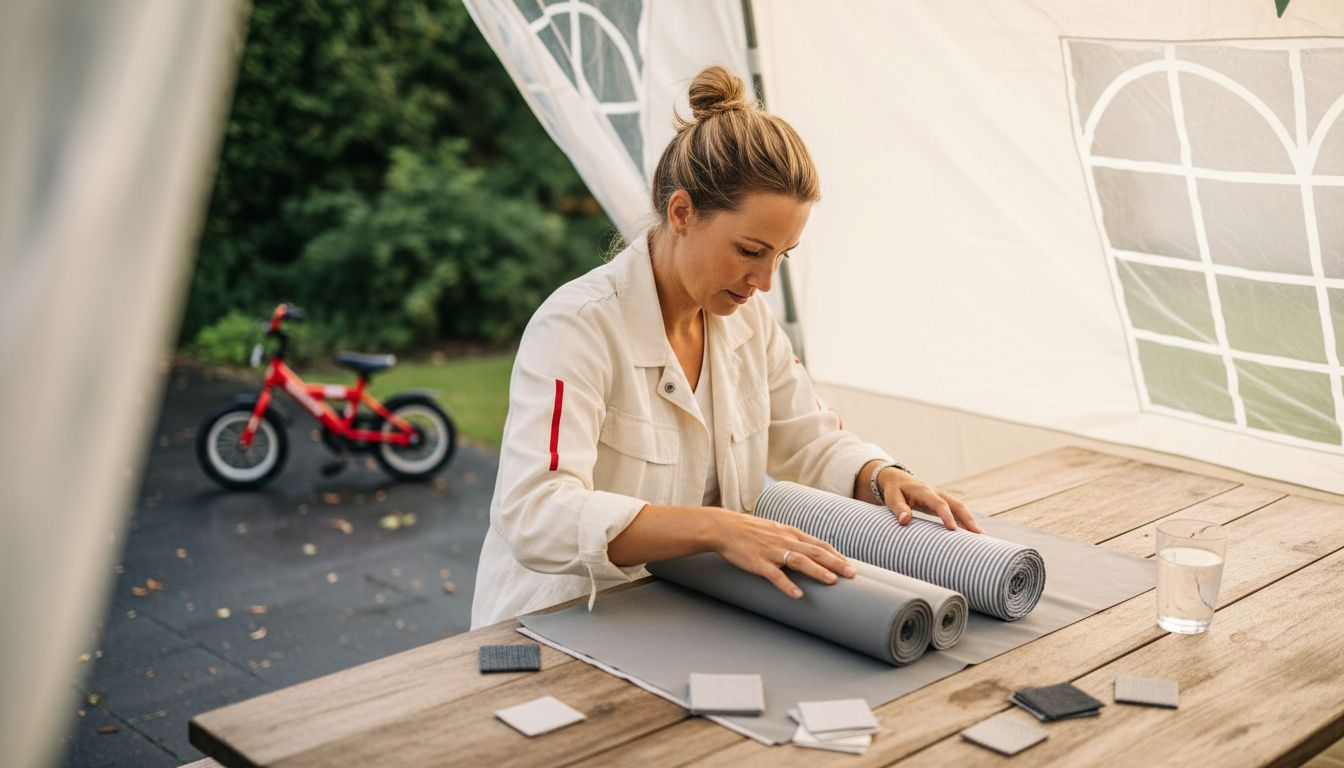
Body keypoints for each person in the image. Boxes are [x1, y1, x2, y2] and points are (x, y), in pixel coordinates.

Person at [470, 65, 978, 629]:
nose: (764, 281)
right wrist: (717, 527)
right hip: (553, 625)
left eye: (782, 256)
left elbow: (807, 435)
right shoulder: (577, 328)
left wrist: (882, 475)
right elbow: (535, 513)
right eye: (749, 250)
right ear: (681, 212)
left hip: (676, 618)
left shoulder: (748, 321)